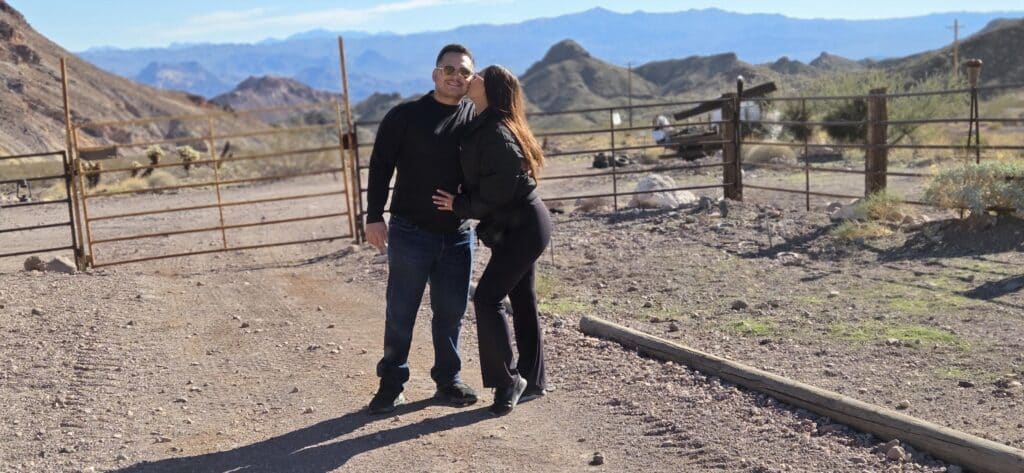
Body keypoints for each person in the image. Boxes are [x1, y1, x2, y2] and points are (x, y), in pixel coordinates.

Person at [364, 44, 479, 415]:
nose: (455, 76)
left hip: (459, 234)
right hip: (410, 231)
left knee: (451, 313)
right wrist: (373, 216)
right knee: (401, 311)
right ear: (434, 73)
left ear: (471, 79)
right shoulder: (405, 116)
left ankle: (449, 380)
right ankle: (391, 384)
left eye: (463, 72)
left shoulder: (476, 120)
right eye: (449, 69)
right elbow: (381, 166)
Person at [432, 65, 552, 416]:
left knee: (486, 298)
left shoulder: (497, 132)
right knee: (522, 297)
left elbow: (500, 191)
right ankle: (534, 378)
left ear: (491, 89)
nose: (473, 78)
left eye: (479, 75)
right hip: (514, 224)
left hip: (524, 225)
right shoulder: (480, 122)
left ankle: (507, 381)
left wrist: (460, 206)